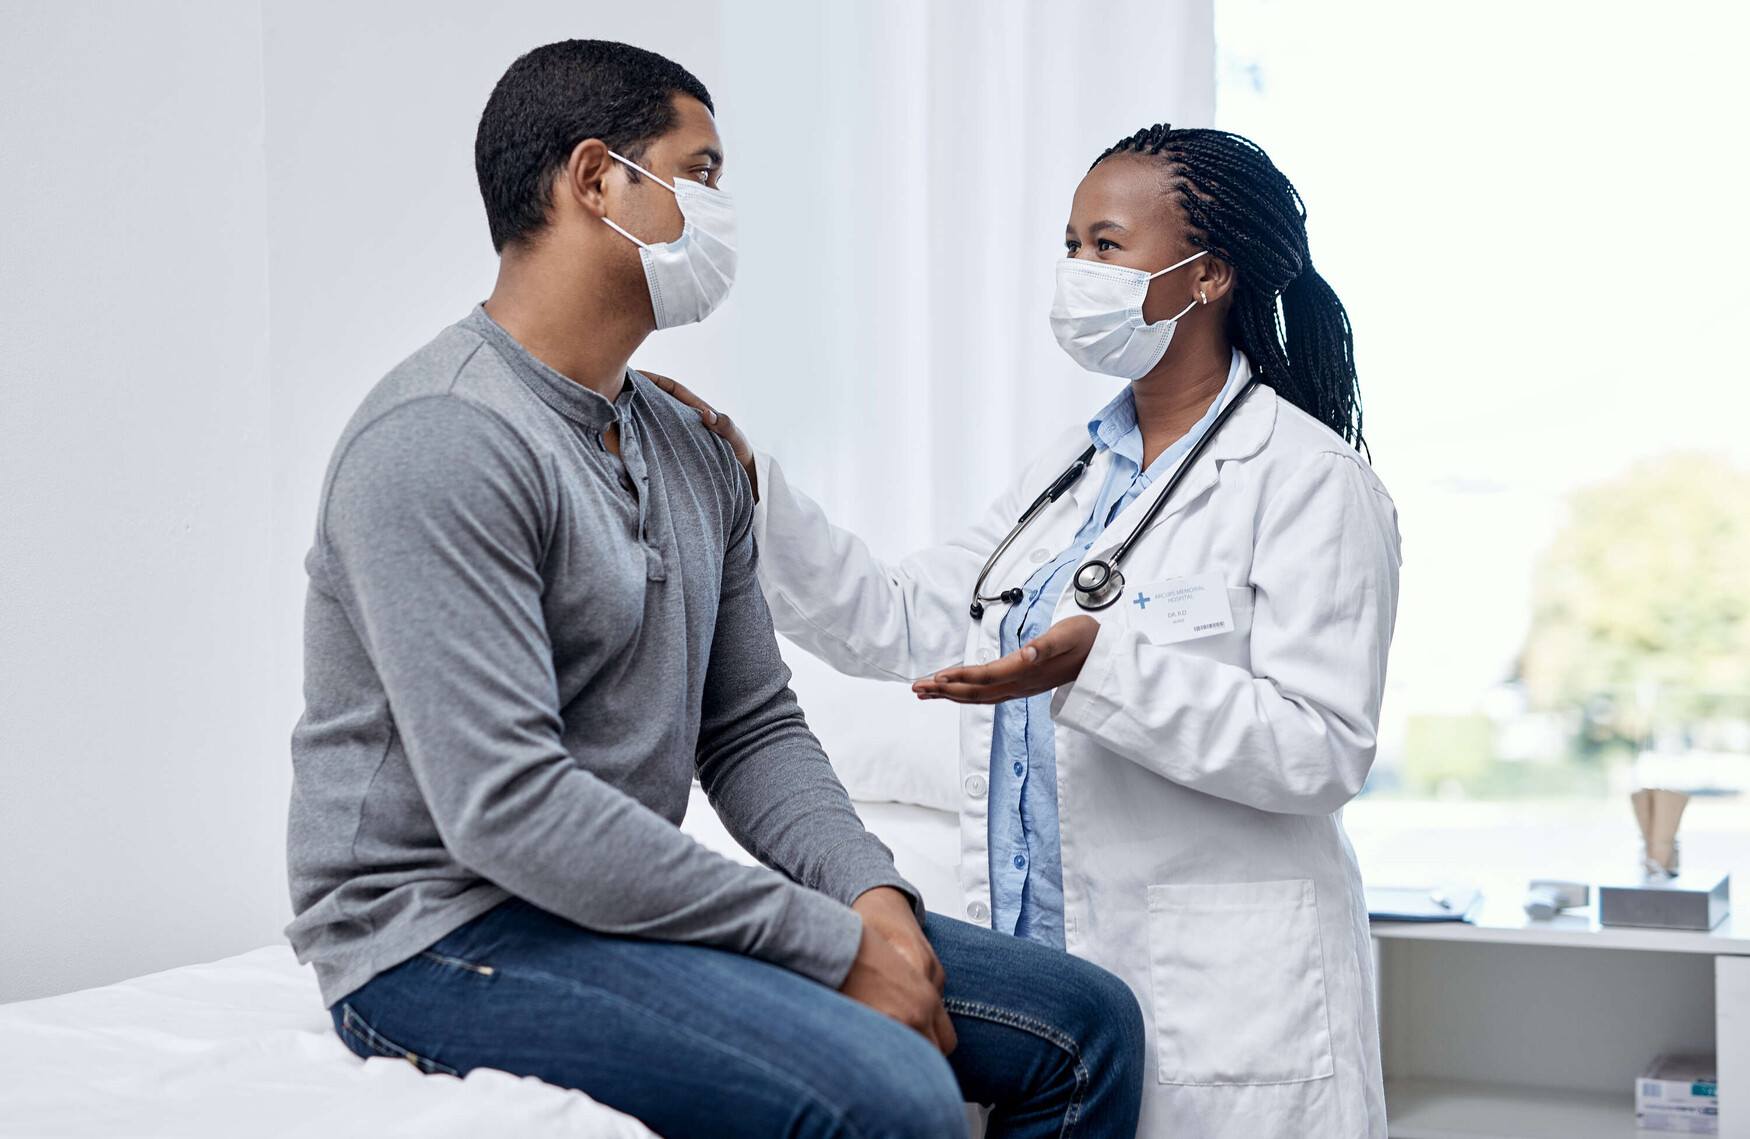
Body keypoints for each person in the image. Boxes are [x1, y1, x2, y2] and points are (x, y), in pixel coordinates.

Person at [284, 39, 1145, 1139]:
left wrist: (873, 899)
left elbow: (748, 726)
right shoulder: (443, 439)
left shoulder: (689, 448)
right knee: (891, 1092)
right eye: (702, 173)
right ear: (596, 180)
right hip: (442, 932)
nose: (719, 208)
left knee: (1086, 1022)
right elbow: (509, 807)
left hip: (600, 907)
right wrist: (827, 944)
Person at [658, 125, 1401, 1138]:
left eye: (1105, 246)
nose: (1076, 274)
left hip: (1222, 1005)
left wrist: (1102, 667)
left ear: (1207, 275)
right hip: (1051, 989)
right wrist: (753, 489)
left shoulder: (1309, 479)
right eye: (1070, 246)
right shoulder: (1070, 470)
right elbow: (904, 616)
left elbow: (1322, 748)